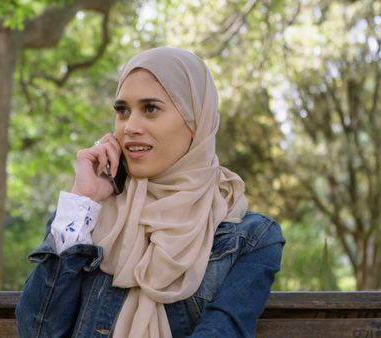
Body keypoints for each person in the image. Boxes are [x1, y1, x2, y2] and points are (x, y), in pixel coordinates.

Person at [16, 47, 285, 338]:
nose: (130, 127)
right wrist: (84, 196)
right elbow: (37, 332)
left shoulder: (250, 238)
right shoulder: (83, 219)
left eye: (150, 109)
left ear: (196, 120)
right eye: (122, 111)